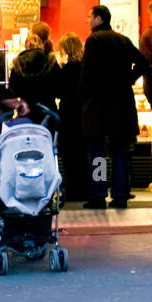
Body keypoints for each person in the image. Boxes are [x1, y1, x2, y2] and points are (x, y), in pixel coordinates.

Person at [79, 4, 149, 209]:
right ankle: (120, 195)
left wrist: (81, 97)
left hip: (98, 105)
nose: (88, 21)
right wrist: (128, 79)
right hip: (121, 103)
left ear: (99, 19)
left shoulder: (93, 40)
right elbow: (143, 62)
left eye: (90, 17)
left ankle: (98, 195)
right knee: (119, 151)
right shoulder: (123, 40)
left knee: (97, 152)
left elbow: (87, 71)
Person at [55, 32, 88, 201]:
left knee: (70, 156)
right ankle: (96, 188)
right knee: (89, 154)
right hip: (85, 114)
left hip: (68, 115)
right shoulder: (86, 67)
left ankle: (73, 190)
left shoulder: (66, 70)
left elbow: (58, 91)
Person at [9, 32, 60, 114]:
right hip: (48, 108)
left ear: (25, 45)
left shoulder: (18, 62)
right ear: (41, 44)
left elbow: (14, 87)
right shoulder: (50, 60)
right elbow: (58, 84)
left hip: (27, 108)